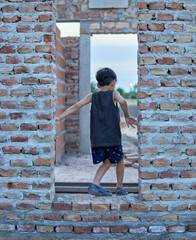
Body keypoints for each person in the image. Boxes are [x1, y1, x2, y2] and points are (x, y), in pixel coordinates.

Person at [56, 67, 137, 196]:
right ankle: (120, 187)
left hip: (96, 139)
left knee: (107, 162)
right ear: (113, 82)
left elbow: (76, 106)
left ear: (98, 84)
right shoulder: (114, 94)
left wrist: (60, 117)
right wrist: (127, 116)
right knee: (119, 159)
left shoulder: (92, 96)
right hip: (112, 138)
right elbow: (123, 101)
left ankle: (95, 183)